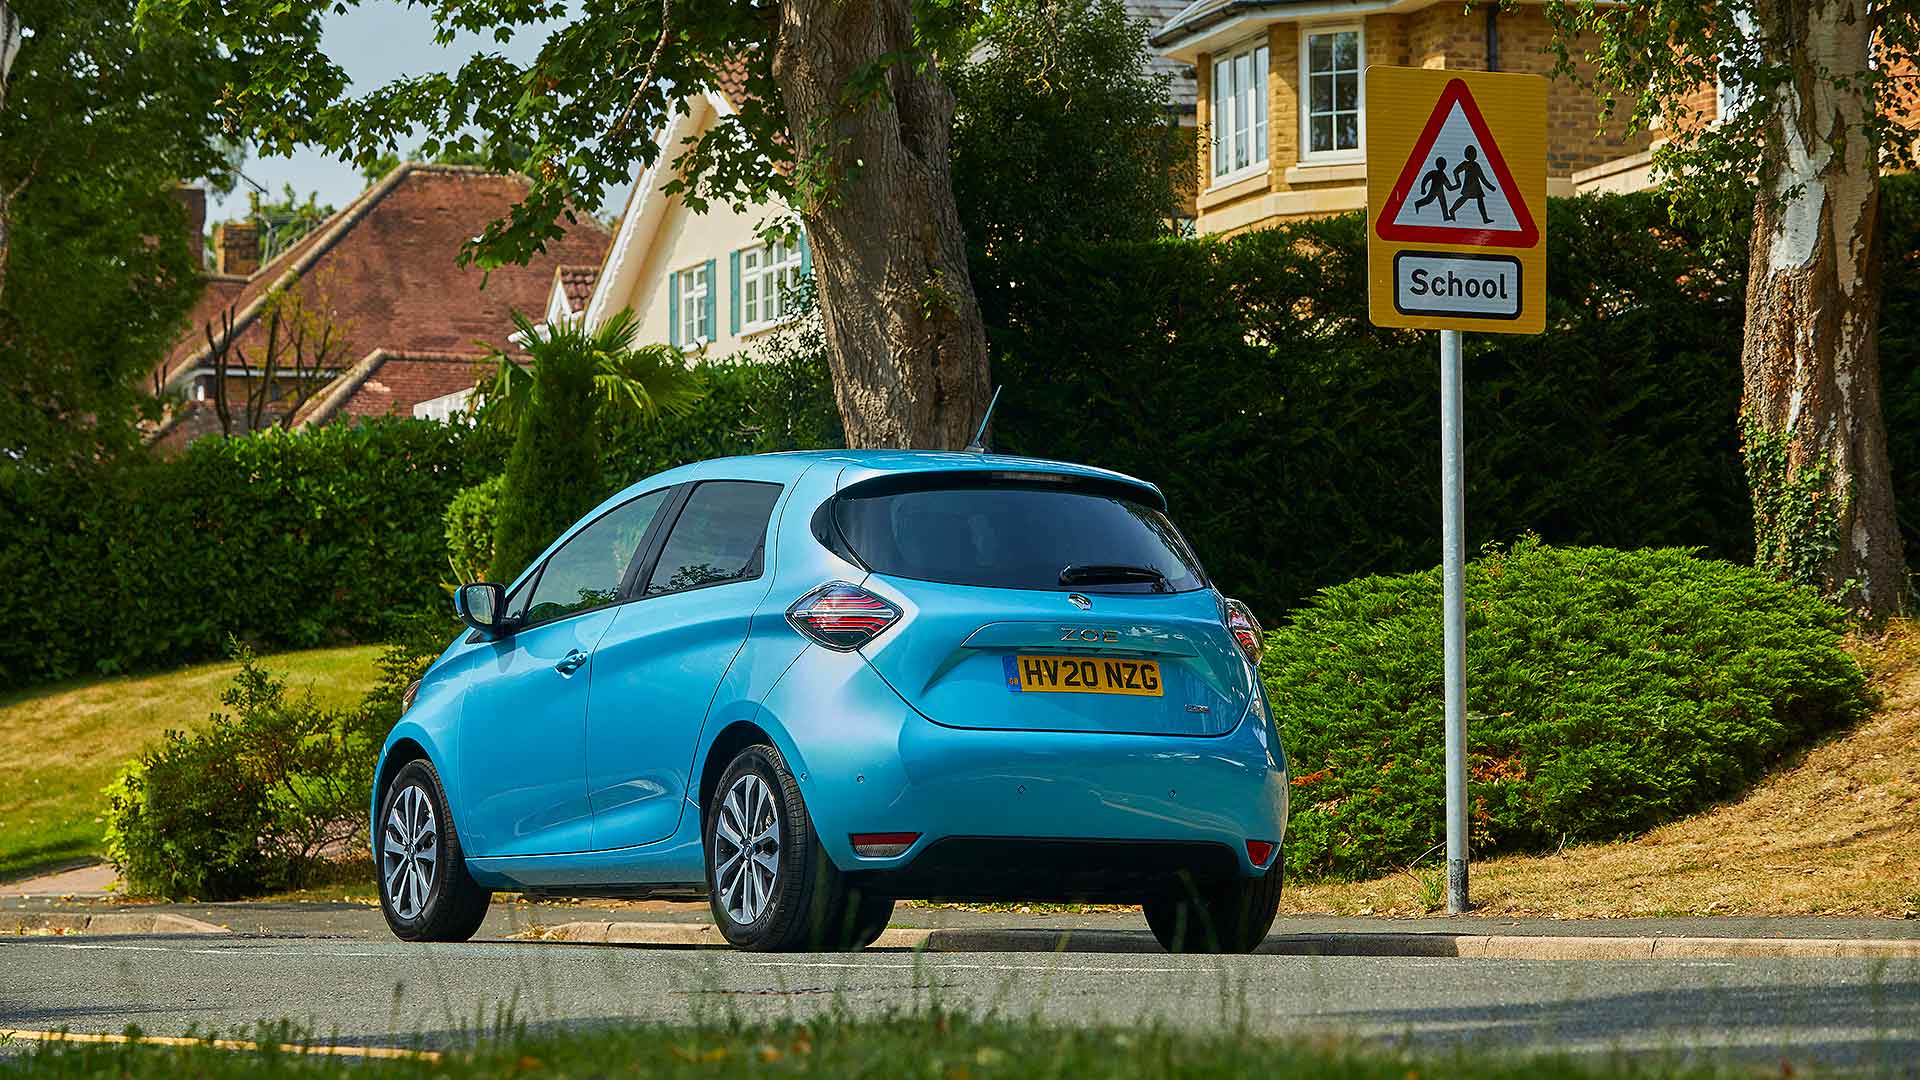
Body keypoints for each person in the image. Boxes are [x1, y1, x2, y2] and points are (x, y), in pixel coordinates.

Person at [1449, 145, 1497, 225]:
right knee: (1464, 198)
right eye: (1471, 153)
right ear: (1467, 155)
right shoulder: (1466, 164)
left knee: (1479, 200)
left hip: (1476, 186)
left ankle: (1485, 218)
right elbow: (1455, 171)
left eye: (1474, 153)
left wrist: (1490, 187)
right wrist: (1458, 182)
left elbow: (1482, 178)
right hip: (1469, 186)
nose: (1473, 155)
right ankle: (1452, 210)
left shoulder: (1476, 165)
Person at [1411, 157, 1455, 221]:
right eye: (1441, 164)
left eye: (1443, 164)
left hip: (1440, 191)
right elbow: (1426, 179)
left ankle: (1445, 216)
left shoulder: (1443, 175)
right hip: (1434, 190)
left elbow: (1449, 187)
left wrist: (1457, 186)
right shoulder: (1434, 173)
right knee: (1428, 200)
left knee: (1443, 203)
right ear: (1437, 165)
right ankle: (1417, 204)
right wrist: (1423, 188)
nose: (1443, 166)